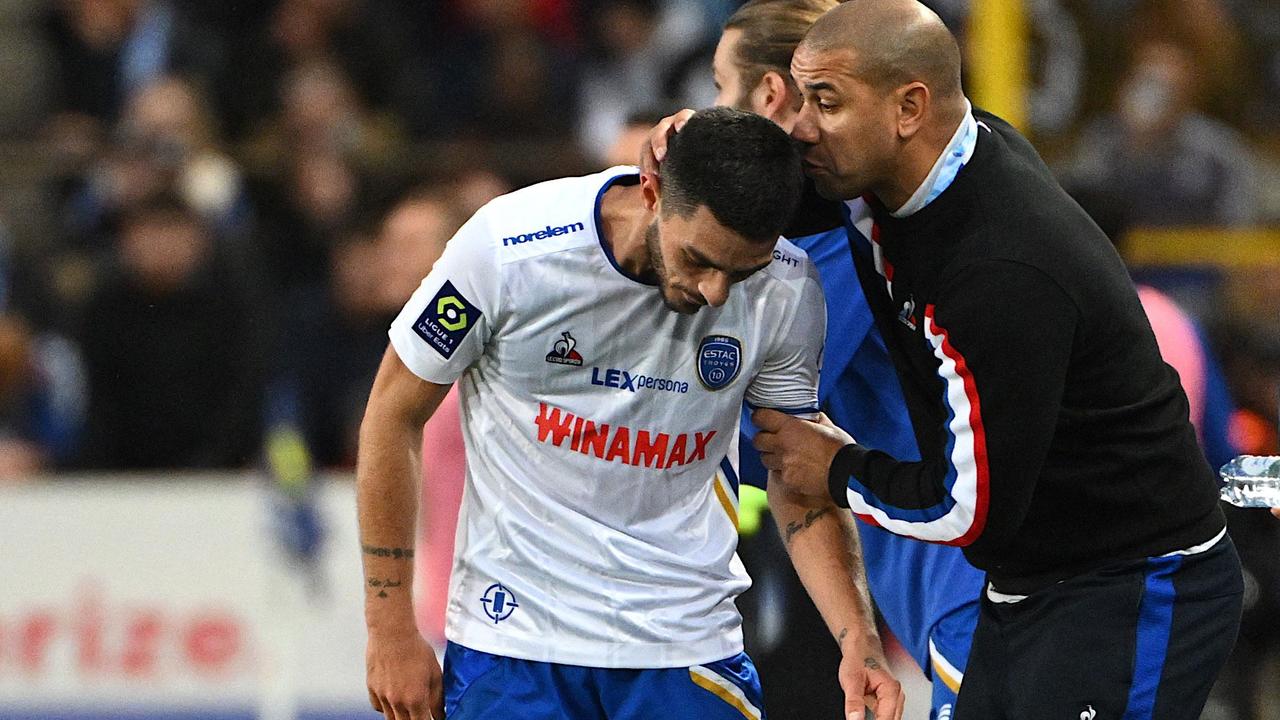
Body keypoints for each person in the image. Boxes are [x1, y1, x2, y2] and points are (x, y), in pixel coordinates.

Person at [739, 2, 1243, 718]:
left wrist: (836, 469)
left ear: (910, 107)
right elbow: (762, 194)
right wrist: (686, 148)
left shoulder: (999, 270)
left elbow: (971, 513)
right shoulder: (908, 168)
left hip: (1132, 584)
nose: (799, 126)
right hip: (1032, 579)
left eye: (825, 101)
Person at [357, 107, 902, 720]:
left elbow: (796, 475)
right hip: (512, 648)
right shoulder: (506, 250)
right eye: (698, 259)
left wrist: (859, 640)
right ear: (653, 188)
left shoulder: (785, 287)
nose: (716, 292)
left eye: (738, 270)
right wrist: (390, 628)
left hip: (686, 647)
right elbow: (392, 412)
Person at [709, 2, 983, 718]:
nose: (707, 108)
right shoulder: (882, 213)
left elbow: (754, 428)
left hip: (973, 583)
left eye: (717, 87)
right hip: (951, 584)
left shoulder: (845, 236)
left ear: (769, 97)